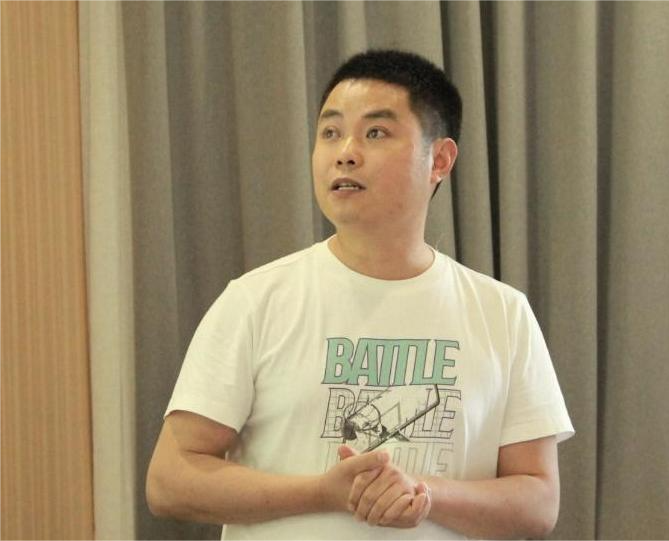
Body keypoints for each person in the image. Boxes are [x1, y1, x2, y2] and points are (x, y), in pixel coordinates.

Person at [146, 49, 574, 540]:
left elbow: (539, 501)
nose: (345, 152)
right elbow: (169, 481)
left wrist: (426, 495)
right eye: (330, 132)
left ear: (439, 160)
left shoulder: (502, 312)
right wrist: (324, 492)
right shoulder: (255, 301)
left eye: (376, 133)